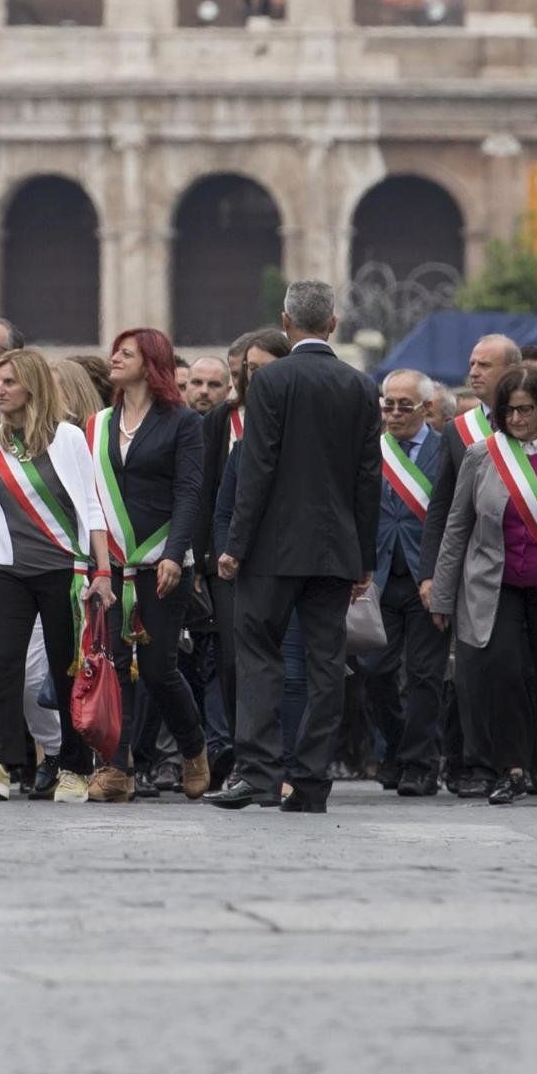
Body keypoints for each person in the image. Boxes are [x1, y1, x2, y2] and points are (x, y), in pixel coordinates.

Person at [209, 280, 374, 815]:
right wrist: (364, 559)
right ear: (333, 324)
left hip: (273, 550)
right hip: (334, 550)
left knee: (258, 655)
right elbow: (368, 478)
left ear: (285, 322)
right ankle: (310, 778)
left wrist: (236, 543)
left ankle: (257, 773)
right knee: (326, 664)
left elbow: (257, 468)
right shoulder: (359, 385)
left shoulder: (272, 382)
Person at [424, 363, 537, 805]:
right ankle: (511, 769)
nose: (517, 420)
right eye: (508, 411)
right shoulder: (482, 456)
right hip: (496, 584)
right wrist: (443, 594)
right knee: (502, 672)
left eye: (526, 410)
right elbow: (457, 526)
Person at [0, 346, 105, 800]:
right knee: (3, 664)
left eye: (9, 382)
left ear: (32, 386)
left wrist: (100, 571)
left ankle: (75, 766)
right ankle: (2, 762)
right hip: (7, 570)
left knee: (65, 668)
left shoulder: (68, 438)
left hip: (63, 568)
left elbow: (91, 506)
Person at [90, 326, 209, 802]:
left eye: (126, 353)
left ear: (151, 363)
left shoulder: (182, 421)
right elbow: (92, 494)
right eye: (115, 352)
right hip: (112, 562)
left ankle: (194, 749)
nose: (115, 359)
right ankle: (118, 769)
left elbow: (188, 492)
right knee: (114, 666)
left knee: (159, 669)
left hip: (163, 558)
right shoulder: (99, 422)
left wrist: (175, 553)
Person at [360, 369, 456, 797]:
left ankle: (420, 764)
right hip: (378, 576)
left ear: (427, 408)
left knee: (424, 674)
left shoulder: (448, 449)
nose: (395, 414)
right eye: (388, 405)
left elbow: (455, 519)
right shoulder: (367, 450)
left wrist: (441, 575)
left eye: (405, 406)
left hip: (428, 578)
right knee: (375, 670)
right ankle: (398, 745)